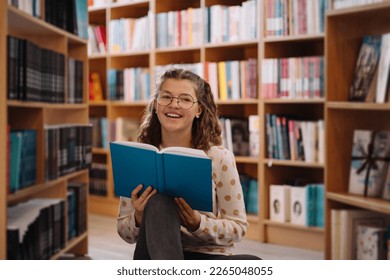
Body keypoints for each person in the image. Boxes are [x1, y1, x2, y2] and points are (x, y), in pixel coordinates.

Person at [116, 68, 261, 260]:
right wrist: (139, 216)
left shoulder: (219, 158)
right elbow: (125, 232)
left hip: (207, 256)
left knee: (253, 264)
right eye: (166, 97)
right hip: (154, 255)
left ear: (198, 109)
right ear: (156, 105)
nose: (174, 105)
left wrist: (198, 223)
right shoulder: (139, 157)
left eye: (185, 99)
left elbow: (238, 228)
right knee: (159, 203)